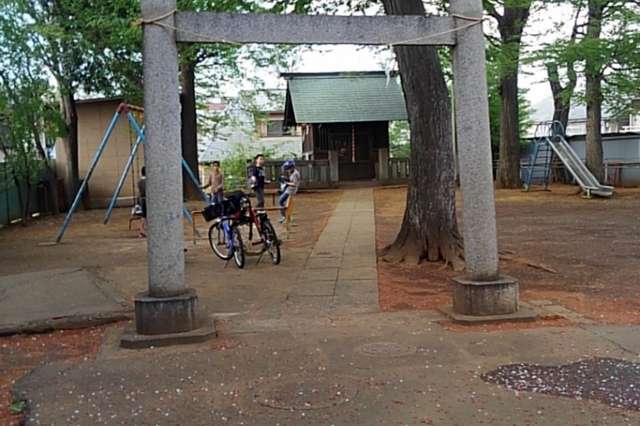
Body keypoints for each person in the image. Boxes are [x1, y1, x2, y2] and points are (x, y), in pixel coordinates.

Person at [136, 166, 147, 238]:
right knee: (145, 216)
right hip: (146, 200)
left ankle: (141, 230)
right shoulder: (146, 181)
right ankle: (142, 230)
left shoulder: (139, 181)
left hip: (141, 200)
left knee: (143, 216)